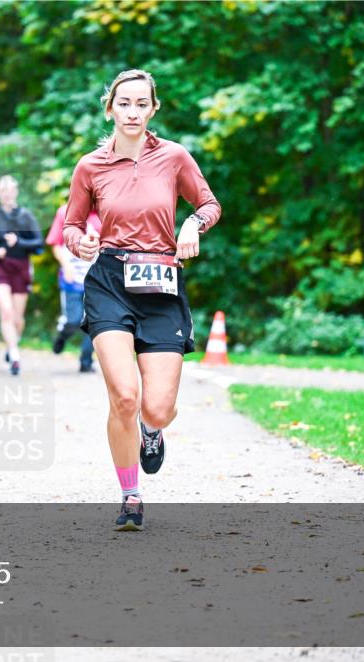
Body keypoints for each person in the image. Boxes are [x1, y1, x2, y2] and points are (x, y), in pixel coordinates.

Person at [63, 69, 221, 531]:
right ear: (109, 107)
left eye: (140, 104)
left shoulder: (174, 157)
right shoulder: (89, 166)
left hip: (161, 285)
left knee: (156, 408)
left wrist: (192, 225)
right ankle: (130, 494)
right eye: (123, 103)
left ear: (153, 109)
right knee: (124, 396)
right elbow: (72, 226)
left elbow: (209, 203)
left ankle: (152, 433)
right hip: (109, 280)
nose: (131, 112)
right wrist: (81, 243)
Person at [0, 175, 43, 376]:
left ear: (16, 192)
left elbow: (38, 244)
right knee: (6, 311)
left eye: (10, 191)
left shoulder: (25, 216)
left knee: (18, 319)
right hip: (0, 267)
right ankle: (15, 355)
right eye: (3, 191)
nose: (7, 194)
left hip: (21, 267)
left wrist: (18, 241)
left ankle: (12, 345)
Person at [46, 203, 101, 373]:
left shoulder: (103, 211)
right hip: (72, 278)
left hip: (95, 279)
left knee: (93, 321)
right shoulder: (65, 211)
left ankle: (86, 361)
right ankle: (62, 336)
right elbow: (55, 243)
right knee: (74, 319)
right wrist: (66, 265)